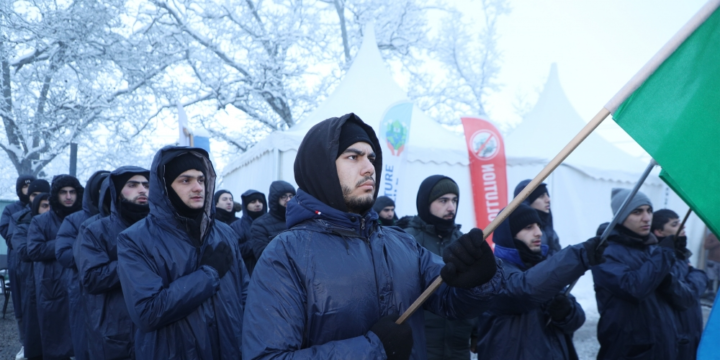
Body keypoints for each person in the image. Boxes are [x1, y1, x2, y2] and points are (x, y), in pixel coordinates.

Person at [243, 113, 503, 360]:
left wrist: (479, 278)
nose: (369, 168)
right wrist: (374, 350)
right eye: (353, 157)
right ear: (321, 168)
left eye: (372, 158)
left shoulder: (402, 244)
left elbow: (452, 302)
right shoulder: (286, 254)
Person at [117, 147, 249, 359]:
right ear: (165, 187)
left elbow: (245, 293)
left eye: (201, 180)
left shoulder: (224, 232)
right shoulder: (135, 239)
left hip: (230, 349)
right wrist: (208, 274)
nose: (198, 187)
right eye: (185, 180)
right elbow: (147, 312)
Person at [474, 203, 595, 359]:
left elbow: (577, 320)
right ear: (509, 234)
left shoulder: (543, 267)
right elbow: (523, 290)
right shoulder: (492, 272)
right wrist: (577, 256)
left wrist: (565, 312)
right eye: (529, 227)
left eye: (539, 226)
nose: (538, 233)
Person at [592, 189, 686, 360]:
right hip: (630, 352)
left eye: (649, 210)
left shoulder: (652, 249)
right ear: (620, 216)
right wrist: (663, 255)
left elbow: (684, 298)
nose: (647, 218)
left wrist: (668, 278)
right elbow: (634, 288)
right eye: (637, 212)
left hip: (663, 347)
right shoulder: (605, 252)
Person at [76, 167, 150, 359]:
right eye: (132, 185)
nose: (142, 190)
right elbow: (92, 278)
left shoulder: (162, 228)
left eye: (146, 185)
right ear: (116, 192)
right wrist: (136, 262)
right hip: (117, 327)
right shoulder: (96, 230)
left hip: (156, 325)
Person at [403, 175, 474, 359]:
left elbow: (475, 291)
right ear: (426, 203)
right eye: (443, 201)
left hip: (457, 347)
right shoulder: (407, 241)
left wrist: (475, 330)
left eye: (454, 200)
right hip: (419, 347)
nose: (451, 207)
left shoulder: (464, 243)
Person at [27, 175, 84, 359]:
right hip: (52, 286)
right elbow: (34, 250)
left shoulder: (84, 219)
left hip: (79, 284)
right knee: (55, 338)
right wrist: (64, 243)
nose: (68, 196)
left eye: (72, 192)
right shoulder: (40, 221)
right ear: (55, 195)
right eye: (63, 192)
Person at [54, 170, 109, 360]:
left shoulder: (125, 219)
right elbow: (63, 254)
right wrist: (95, 253)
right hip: (84, 289)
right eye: (103, 190)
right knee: (86, 342)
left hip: (115, 291)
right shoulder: (76, 220)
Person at [651, 209, 707, 360]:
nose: (683, 226)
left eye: (681, 222)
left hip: (689, 331)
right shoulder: (662, 258)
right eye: (675, 224)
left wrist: (693, 273)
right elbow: (685, 296)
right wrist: (699, 274)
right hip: (678, 335)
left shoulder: (679, 254)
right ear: (659, 232)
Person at [12, 191, 51, 360]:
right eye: (44, 206)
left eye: (51, 206)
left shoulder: (63, 225)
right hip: (32, 283)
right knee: (34, 332)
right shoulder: (22, 227)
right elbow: (26, 251)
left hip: (57, 286)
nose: (49, 210)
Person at [1, 174, 35, 347]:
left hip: (36, 261)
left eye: (31, 186)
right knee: (20, 304)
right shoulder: (11, 210)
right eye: (24, 186)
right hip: (17, 262)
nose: (28, 190)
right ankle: (24, 343)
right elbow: (7, 231)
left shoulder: (43, 206)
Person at [250, 180, 296, 262]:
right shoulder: (260, 225)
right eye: (284, 197)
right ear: (275, 199)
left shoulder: (298, 219)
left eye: (291, 196)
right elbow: (262, 254)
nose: (288, 199)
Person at [514, 180, 561, 255]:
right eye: (541, 196)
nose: (548, 199)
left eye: (547, 195)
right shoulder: (519, 232)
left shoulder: (550, 230)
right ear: (527, 201)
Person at [231, 189, 267, 275]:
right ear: (246, 205)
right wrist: (256, 242)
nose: (258, 204)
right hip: (248, 273)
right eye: (253, 202)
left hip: (270, 272)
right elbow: (234, 251)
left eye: (260, 201)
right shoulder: (236, 226)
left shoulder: (271, 223)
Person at [703, 232, 720, 298]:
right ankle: (710, 293)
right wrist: (717, 242)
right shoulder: (712, 235)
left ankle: (718, 295)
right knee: (710, 277)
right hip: (712, 261)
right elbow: (706, 246)